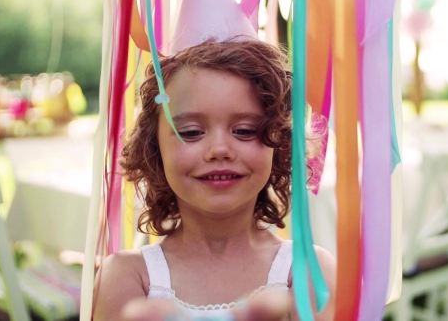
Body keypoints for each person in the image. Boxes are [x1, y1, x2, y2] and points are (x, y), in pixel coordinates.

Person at [92, 37, 336, 320]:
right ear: (154, 149)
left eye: (245, 130)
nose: (219, 149)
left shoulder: (308, 271)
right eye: (192, 132)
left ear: (279, 144)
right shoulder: (128, 277)